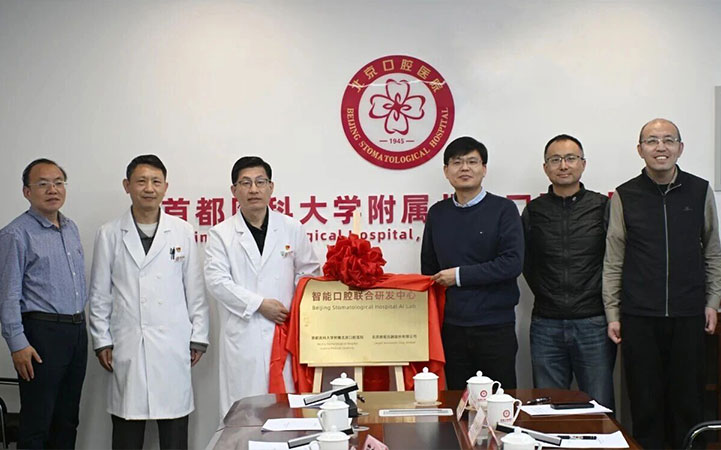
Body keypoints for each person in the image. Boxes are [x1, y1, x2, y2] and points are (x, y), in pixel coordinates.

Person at [604, 118, 721, 449]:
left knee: (688, 404)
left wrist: (712, 301)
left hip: (688, 314)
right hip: (640, 316)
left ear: (680, 148)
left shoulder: (699, 190)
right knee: (646, 406)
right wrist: (613, 313)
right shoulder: (625, 195)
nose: (661, 147)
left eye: (668, 140)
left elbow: (713, 250)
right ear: (639, 149)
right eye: (652, 141)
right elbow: (614, 258)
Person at [88, 155, 209, 449]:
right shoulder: (109, 233)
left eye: (156, 181)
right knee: (127, 430)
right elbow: (100, 295)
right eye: (141, 181)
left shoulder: (182, 231)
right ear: (127, 185)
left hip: (172, 345)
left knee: (174, 430)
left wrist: (198, 336)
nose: (149, 188)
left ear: (166, 187)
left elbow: (195, 290)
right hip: (128, 343)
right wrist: (102, 341)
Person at [204, 156, 320, 420]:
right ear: (234, 191)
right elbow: (217, 281)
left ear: (271, 187)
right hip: (243, 335)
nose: (253, 189)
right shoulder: (221, 234)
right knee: (245, 414)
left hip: (284, 332)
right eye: (245, 183)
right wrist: (259, 305)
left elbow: (309, 272)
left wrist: (293, 308)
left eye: (260, 182)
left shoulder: (291, 228)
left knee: (286, 412)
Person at [420, 136, 523, 390]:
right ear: (446, 171)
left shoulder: (504, 209)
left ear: (484, 169)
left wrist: (458, 276)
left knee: (500, 398)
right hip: (452, 327)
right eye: (457, 162)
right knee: (458, 400)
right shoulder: (438, 213)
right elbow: (429, 268)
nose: (464, 168)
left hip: (495, 326)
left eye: (472, 162)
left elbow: (511, 263)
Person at [522, 134, 615, 409]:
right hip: (546, 324)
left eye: (570, 158)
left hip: (594, 322)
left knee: (599, 407)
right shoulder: (534, 210)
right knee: (548, 408)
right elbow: (526, 262)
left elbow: (615, 259)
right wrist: (546, 292)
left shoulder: (602, 206)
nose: (563, 165)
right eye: (555, 160)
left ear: (583, 164)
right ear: (545, 167)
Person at [0, 158, 87, 448]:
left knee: (68, 419)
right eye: (43, 184)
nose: (53, 190)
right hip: (41, 335)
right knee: (38, 422)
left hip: (76, 332)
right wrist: (17, 344)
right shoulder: (15, 234)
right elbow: (7, 294)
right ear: (27, 192)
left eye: (58, 183)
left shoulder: (71, 228)